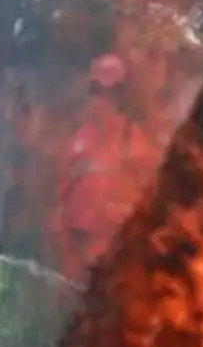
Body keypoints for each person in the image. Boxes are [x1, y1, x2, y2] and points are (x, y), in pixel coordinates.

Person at [54, 53, 143, 285]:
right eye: (95, 91)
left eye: (106, 93)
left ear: (118, 96)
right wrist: (60, 235)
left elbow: (144, 199)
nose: (99, 100)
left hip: (111, 249)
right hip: (74, 251)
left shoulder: (134, 142)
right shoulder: (79, 139)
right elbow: (62, 190)